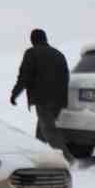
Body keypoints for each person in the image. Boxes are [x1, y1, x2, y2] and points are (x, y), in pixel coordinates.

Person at [10, 28, 70, 158]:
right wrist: (63, 98)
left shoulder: (31, 53)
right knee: (42, 128)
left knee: (49, 130)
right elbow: (66, 76)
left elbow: (24, 76)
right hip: (59, 100)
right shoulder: (58, 54)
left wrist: (15, 94)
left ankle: (67, 158)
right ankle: (37, 153)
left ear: (32, 40)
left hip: (43, 99)